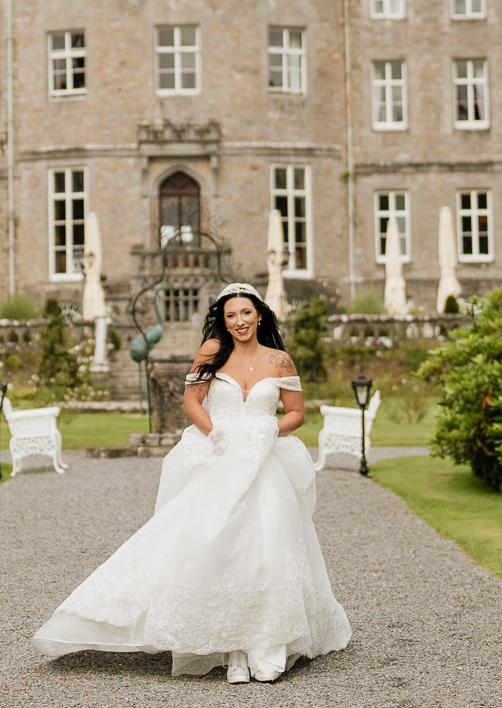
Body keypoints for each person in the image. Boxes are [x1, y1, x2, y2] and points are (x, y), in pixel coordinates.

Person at [32, 282, 352, 683]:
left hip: (264, 461)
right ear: (223, 319)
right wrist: (215, 435)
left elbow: (297, 413)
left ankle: (265, 645)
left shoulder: (280, 361)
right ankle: (233, 650)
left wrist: (268, 431)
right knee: (214, 545)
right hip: (218, 457)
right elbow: (191, 402)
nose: (239, 322)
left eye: (246, 314)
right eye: (231, 315)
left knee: (268, 549)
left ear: (260, 315)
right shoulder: (211, 353)